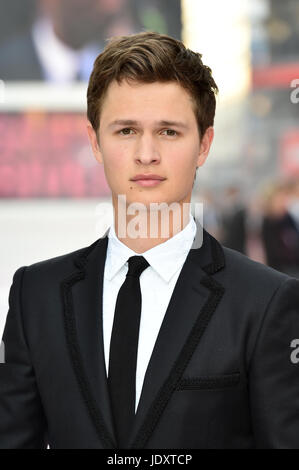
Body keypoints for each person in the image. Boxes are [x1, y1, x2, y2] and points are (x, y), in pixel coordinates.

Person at [1, 31, 299, 449]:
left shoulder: (266, 302)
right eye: (125, 131)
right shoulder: (36, 295)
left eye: (169, 132)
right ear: (95, 142)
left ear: (204, 144)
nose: (146, 154)